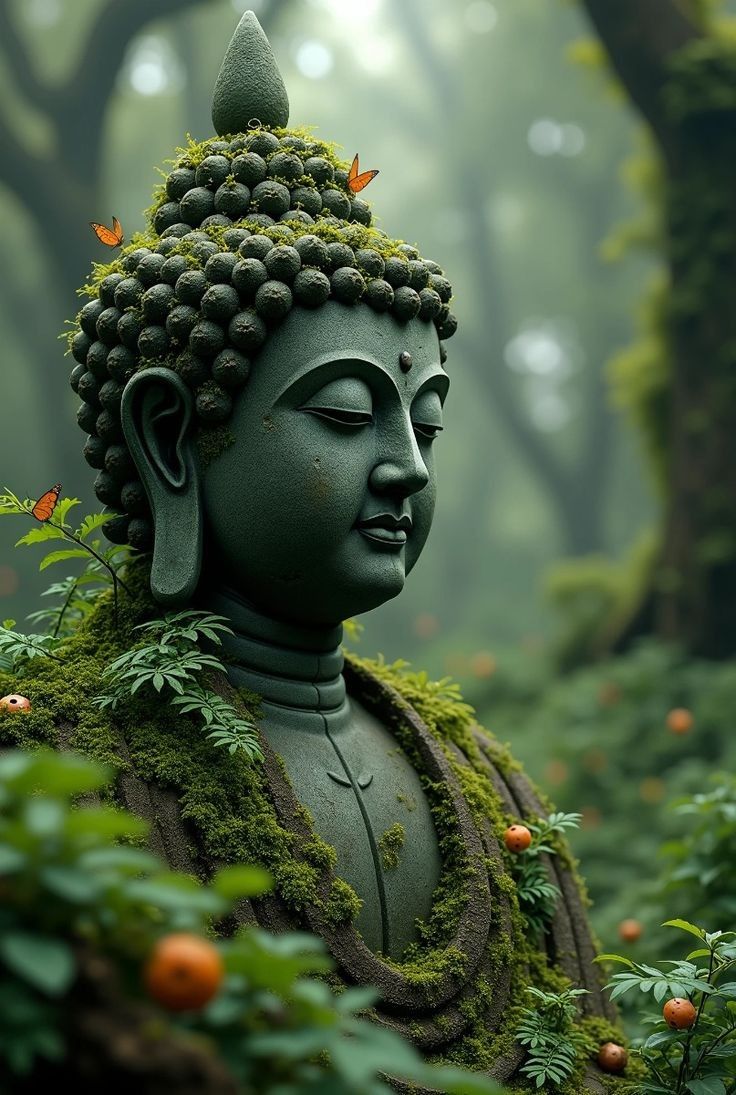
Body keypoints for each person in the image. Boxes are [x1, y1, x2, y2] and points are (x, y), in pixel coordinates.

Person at [0, 13, 628, 1091]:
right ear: (172, 443)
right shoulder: (48, 782)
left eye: (423, 425)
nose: (407, 470)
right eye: (346, 414)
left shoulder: (491, 793)